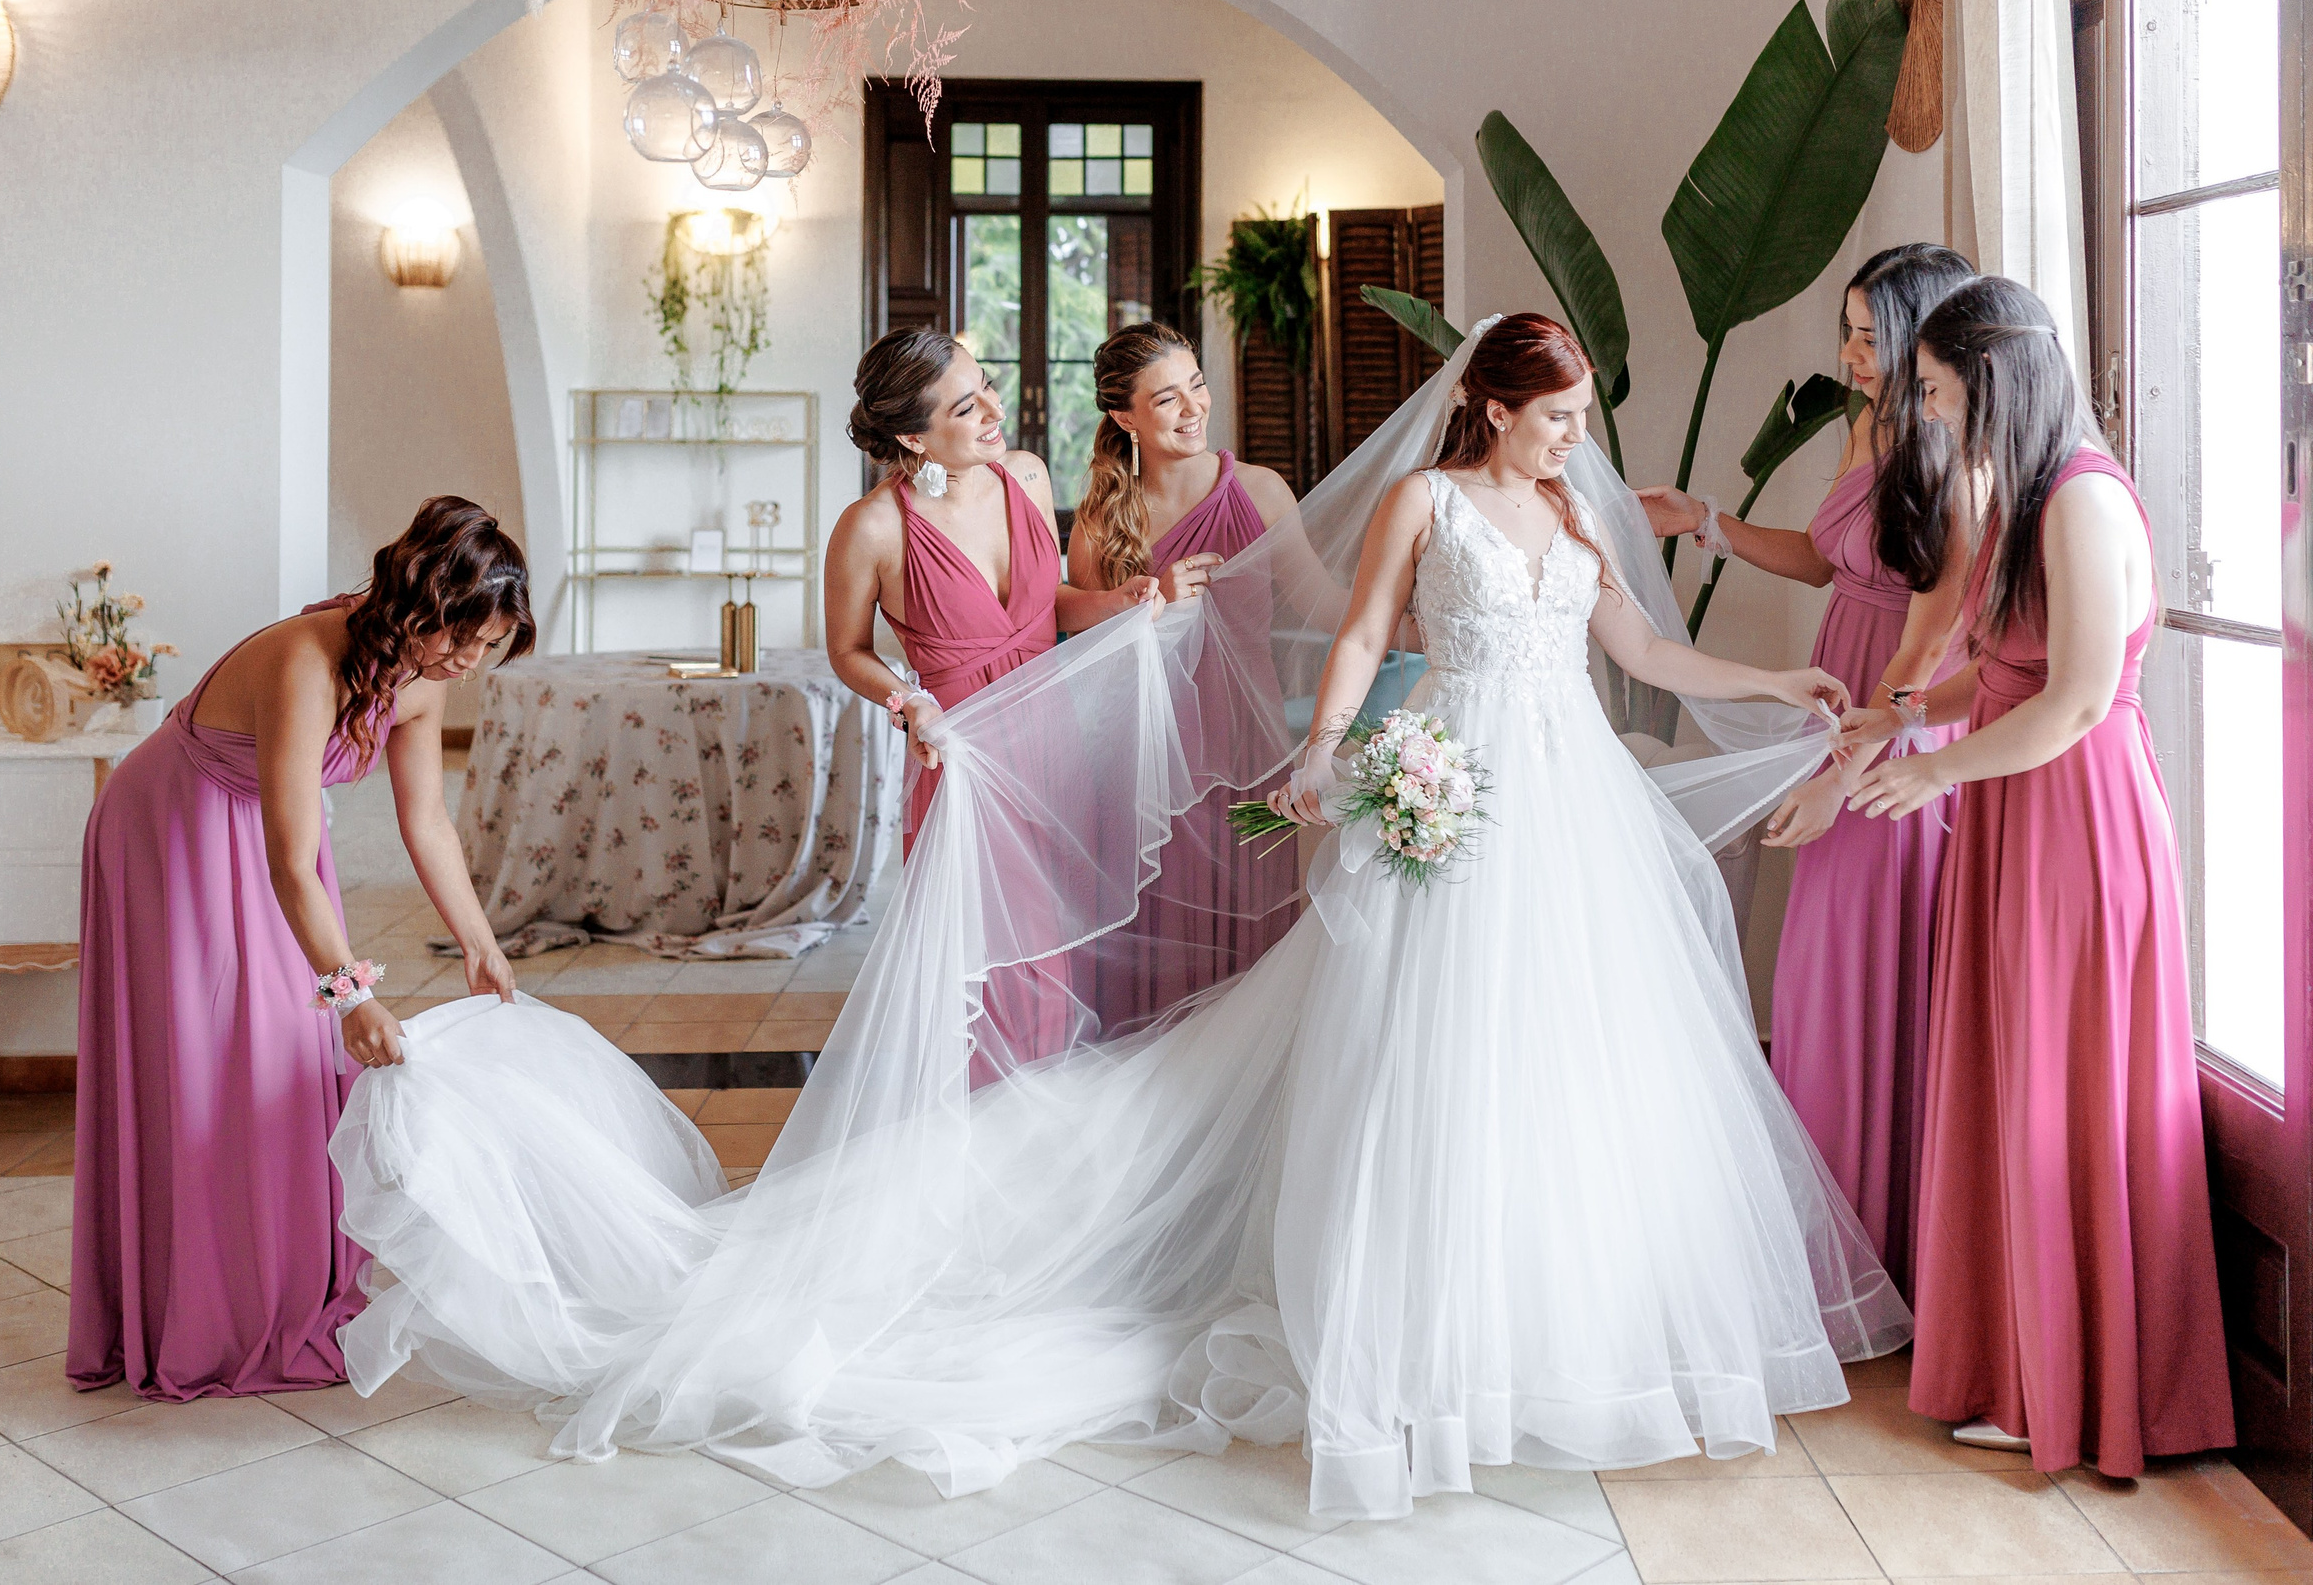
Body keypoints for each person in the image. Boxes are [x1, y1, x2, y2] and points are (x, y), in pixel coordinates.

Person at [327, 315, 1910, 1522]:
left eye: (1581, 424)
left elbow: (1639, 633)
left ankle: (1583, 1327)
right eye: (1555, 419)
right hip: (1428, 786)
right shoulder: (1426, 502)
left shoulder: (1571, 521)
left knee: (1581, 1059)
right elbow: (1350, 638)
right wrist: (1328, 749)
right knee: (1421, 1055)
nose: (1574, 445)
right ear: (1490, 406)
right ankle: (1412, 1342)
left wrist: (1770, 676)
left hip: (1562, 813)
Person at [1839, 276, 2233, 1474]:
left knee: (2058, 1088)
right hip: (2016, 808)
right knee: (2012, 1080)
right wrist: (1906, 715)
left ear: (1999, 385)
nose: (1940, 420)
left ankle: (2078, 1379)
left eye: (1949, 397)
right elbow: (2002, 672)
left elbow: (2070, 703)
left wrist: (1933, 775)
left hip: (2071, 816)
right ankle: (2023, 1352)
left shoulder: (2080, 502)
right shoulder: (2024, 495)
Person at [68, 496, 530, 1400]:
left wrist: (482, 943)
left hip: (262, 837)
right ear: (418, 603)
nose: (471, 663)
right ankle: (197, 1315)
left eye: (490, 646)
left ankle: (277, 1295)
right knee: (209, 1059)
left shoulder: (425, 684)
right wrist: (352, 992)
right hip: (176, 825)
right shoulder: (307, 662)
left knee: (286, 1058)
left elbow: (427, 819)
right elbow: (290, 857)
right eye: (461, 637)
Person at [1635, 244, 1976, 1290]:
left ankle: (1886, 1245)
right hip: (1837, 685)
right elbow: (1834, 557)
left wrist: (1864, 744)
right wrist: (1710, 528)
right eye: (1849, 333)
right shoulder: (1864, 424)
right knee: (1815, 967)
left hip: (1898, 712)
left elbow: (1931, 634)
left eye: (1875, 338)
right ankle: (1827, 1238)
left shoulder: (1958, 447)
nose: (1854, 355)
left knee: (1863, 963)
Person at [823, 326, 1157, 1074]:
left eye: (987, 390)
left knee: (1056, 950)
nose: (994, 412)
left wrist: (1114, 601)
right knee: (988, 960)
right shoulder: (874, 526)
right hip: (963, 756)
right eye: (967, 408)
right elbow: (847, 651)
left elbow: (1048, 609)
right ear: (914, 435)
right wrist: (911, 703)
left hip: (1052, 745)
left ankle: (1042, 1139)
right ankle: (980, 1132)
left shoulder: (1029, 478)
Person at [1066, 322, 1301, 1028]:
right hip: (1144, 757)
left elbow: (1325, 599)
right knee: (1159, 932)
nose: (1194, 406)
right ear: (1123, 415)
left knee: (1248, 932)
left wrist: (1431, 611)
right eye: (1167, 398)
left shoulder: (1259, 490)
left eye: (1196, 385)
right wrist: (1152, 597)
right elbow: (1081, 638)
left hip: (1246, 750)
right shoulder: (1105, 516)